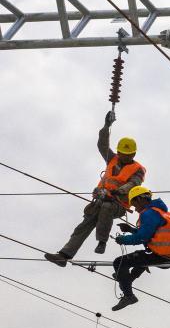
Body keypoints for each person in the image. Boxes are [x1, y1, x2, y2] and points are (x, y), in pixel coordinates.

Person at [45, 112, 145, 265]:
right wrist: (106, 126)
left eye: (127, 154)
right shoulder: (112, 159)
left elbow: (134, 183)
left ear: (133, 154)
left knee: (106, 207)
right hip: (101, 199)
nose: (124, 157)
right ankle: (64, 255)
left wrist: (119, 191)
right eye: (121, 153)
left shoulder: (138, 169)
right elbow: (102, 145)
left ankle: (102, 242)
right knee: (84, 225)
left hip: (118, 204)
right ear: (118, 152)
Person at [110, 186, 170, 311]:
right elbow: (151, 234)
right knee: (140, 257)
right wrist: (131, 230)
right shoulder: (161, 212)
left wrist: (123, 240)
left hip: (160, 257)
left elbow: (142, 237)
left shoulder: (149, 214)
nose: (134, 209)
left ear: (140, 199)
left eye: (134, 204)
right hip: (168, 256)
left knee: (119, 262)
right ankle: (126, 279)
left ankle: (129, 296)